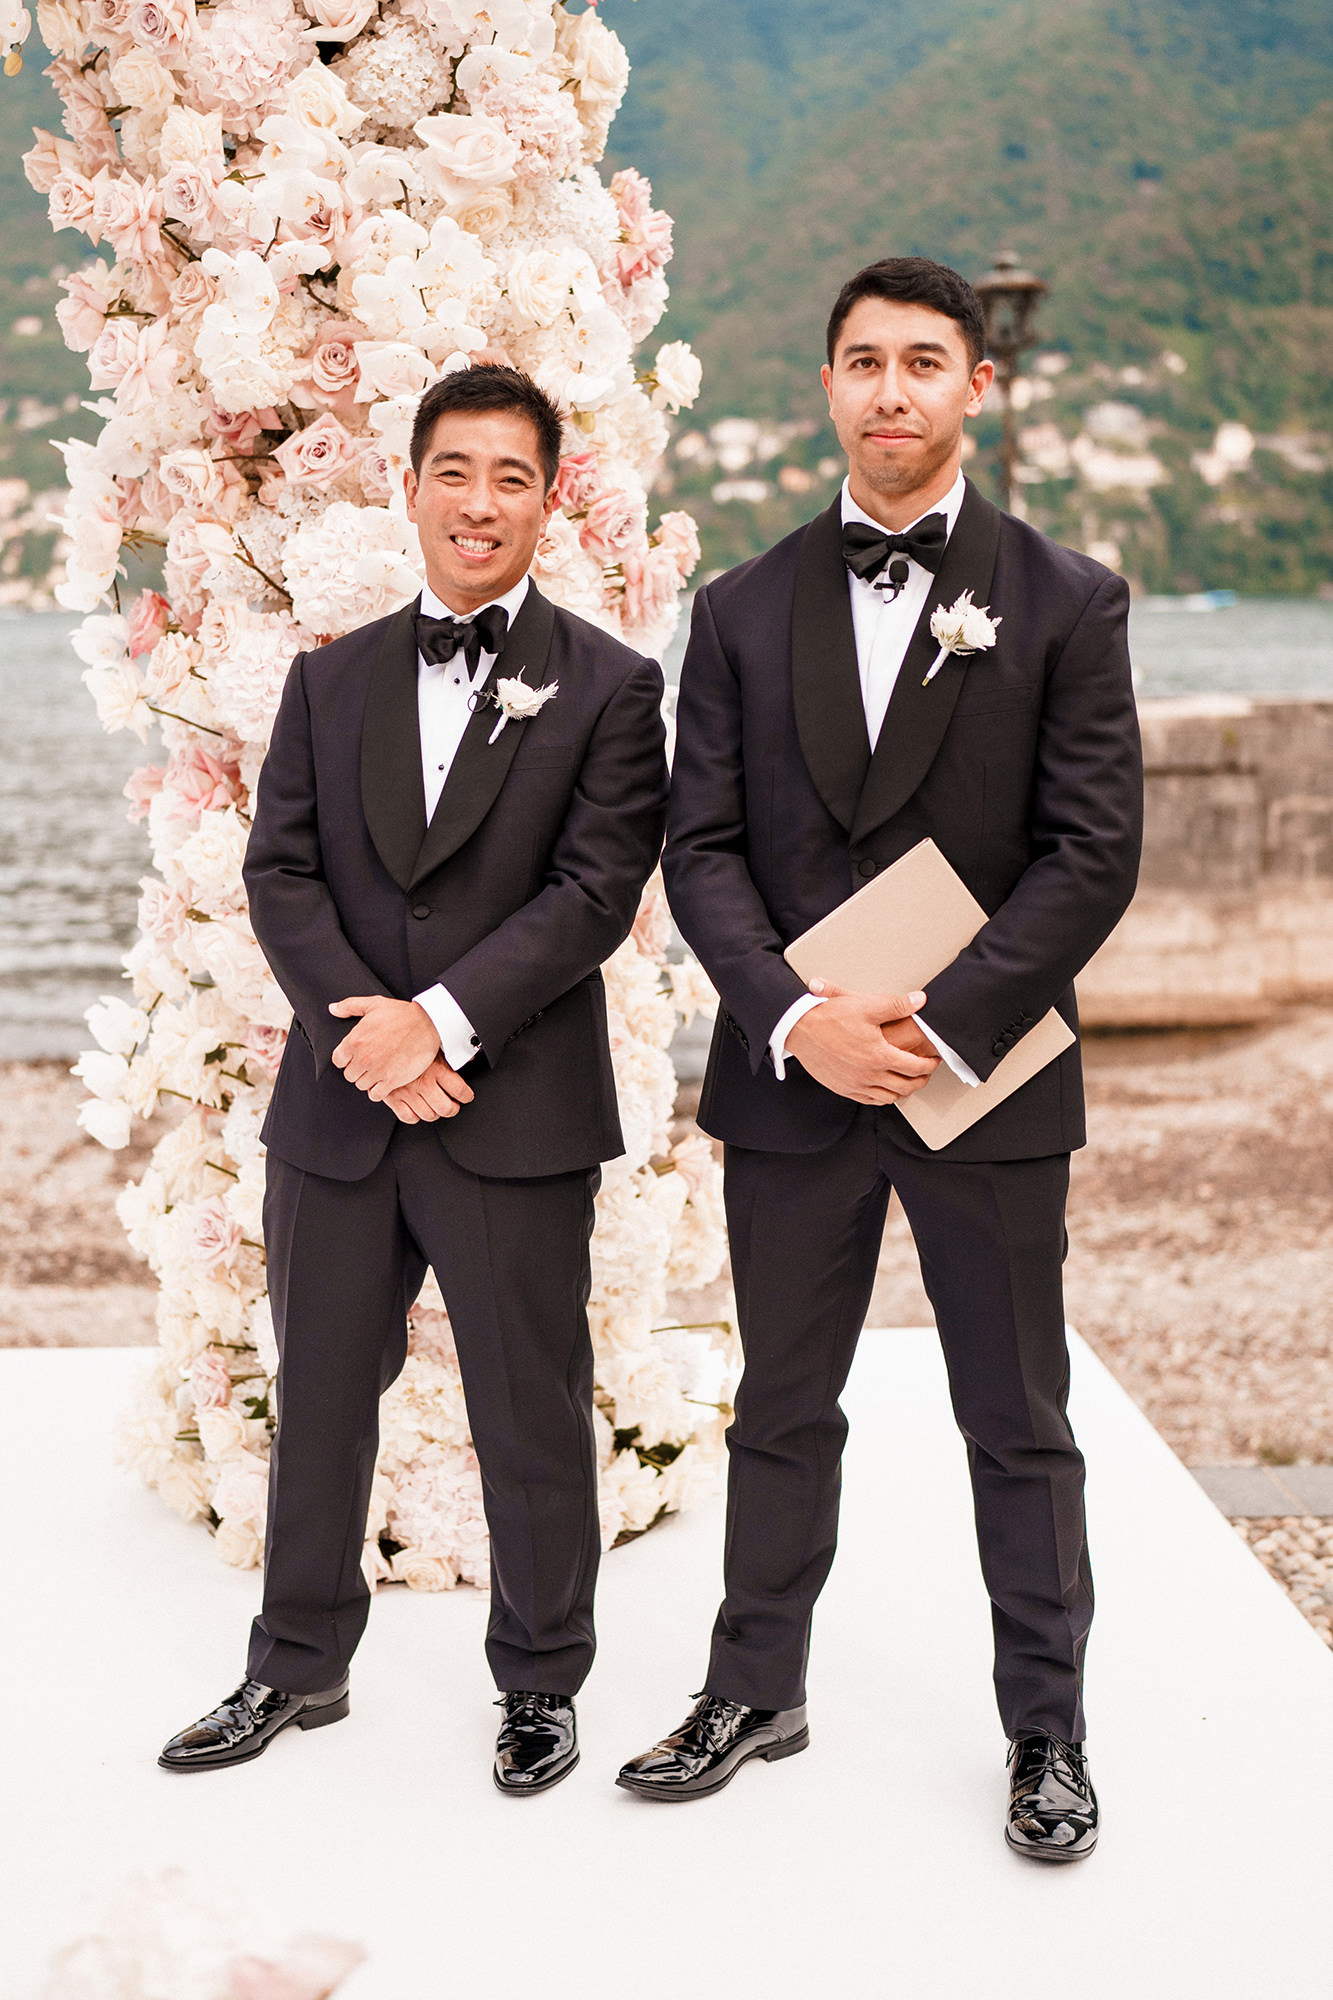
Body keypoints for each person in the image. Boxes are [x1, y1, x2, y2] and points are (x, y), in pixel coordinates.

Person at [619, 258, 1142, 1860]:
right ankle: (751, 1689)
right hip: (794, 1075)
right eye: (863, 360)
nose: (891, 389)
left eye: (924, 361)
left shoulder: (1066, 598)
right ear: (827, 385)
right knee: (780, 1403)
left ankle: (1045, 1732)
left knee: (1017, 1415)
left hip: (984, 1072)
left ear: (977, 384)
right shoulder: (738, 607)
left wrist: (943, 1020)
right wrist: (796, 1017)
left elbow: (1091, 851)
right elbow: (700, 847)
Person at [159, 365, 669, 1795]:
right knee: (320, 1396)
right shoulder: (330, 681)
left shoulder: (611, 687)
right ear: (410, 485)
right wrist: (363, 1038)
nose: (479, 502)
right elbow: (281, 873)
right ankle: (294, 1667)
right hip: (339, 1113)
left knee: (530, 1405)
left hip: (514, 1112)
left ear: (549, 500)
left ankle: (541, 1682)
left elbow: (592, 893)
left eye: (511, 476)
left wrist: (436, 1025)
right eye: (455, 471)